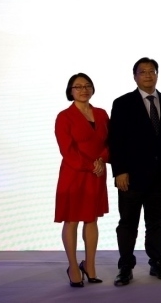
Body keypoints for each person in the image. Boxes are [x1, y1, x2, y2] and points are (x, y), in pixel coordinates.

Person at [109, 57, 161, 286]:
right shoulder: (122, 103)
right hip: (131, 177)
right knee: (128, 224)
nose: (148, 75)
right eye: (143, 72)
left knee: (156, 223)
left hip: (159, 177)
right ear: (135, 76)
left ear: (157, 74)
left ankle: (158, 263)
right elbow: (115, 141)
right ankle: (125, 267)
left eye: (152, 71)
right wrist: (119, 171)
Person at [54, 73, 109, 288]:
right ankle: (73, 267)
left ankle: (90, 265)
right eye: (78, 86)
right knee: (72, 220)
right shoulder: (64, 117)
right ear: (70, 91)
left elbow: (110, 142)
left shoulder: (101, 114)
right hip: (74, 174)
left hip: (97, 173)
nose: (83, 90)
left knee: (92, 219)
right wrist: (90, 165)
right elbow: (67, 150)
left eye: (87, 86)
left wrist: (102, 160)